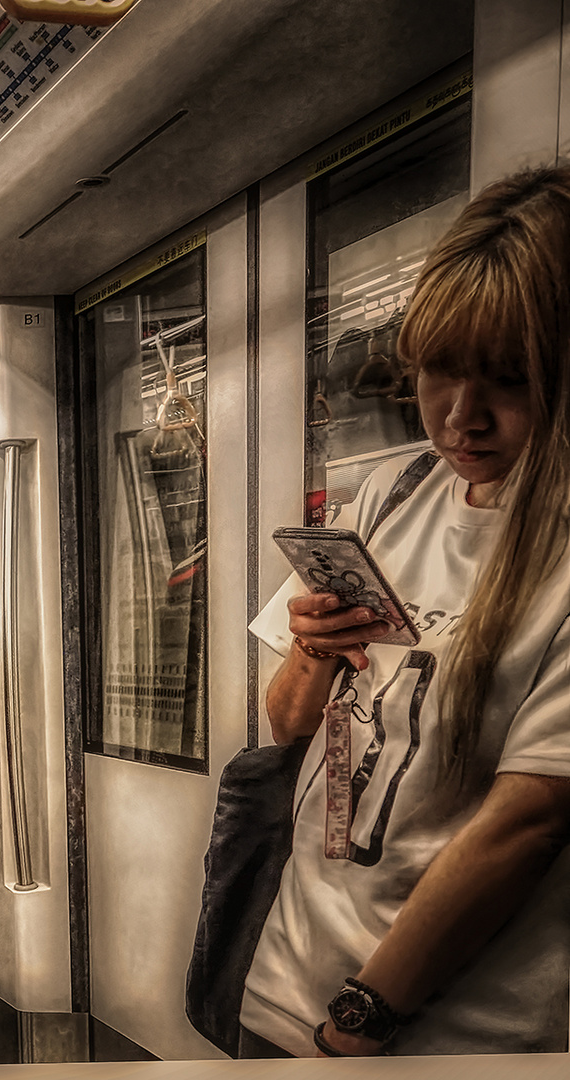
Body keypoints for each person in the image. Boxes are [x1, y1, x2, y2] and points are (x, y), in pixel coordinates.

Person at [242, 165, 570, 1059]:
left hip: (453, 1033)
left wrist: (356, 1026)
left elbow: (529, 821)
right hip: (286, 979)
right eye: (440, 374)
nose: (462, 419)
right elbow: (287, 724)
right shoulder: (393, 493)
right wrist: (314, 647)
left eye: (509, 380)